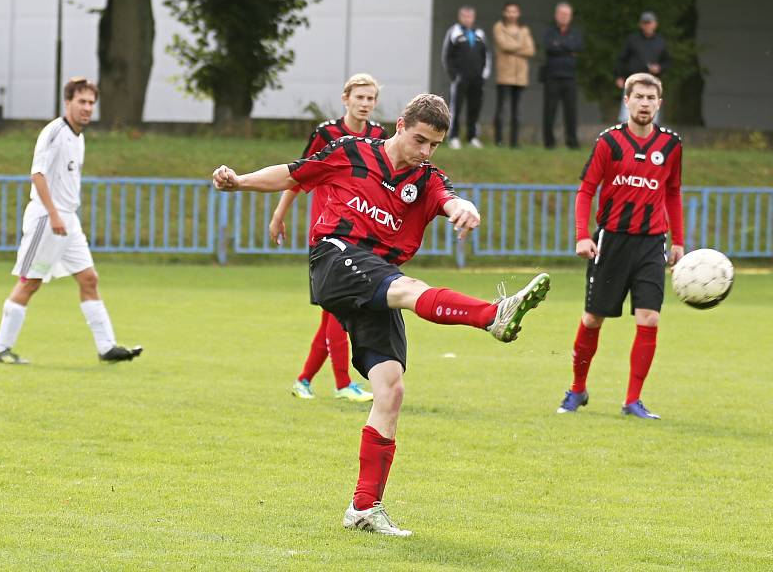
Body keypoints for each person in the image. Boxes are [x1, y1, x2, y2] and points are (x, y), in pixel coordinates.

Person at [213, 93, 551, 535]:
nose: (425, 151)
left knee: (390, 390)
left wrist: (461, 207)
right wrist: (238, 181)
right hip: (335, 258)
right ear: (400, 125)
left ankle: (364, 509)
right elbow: (292, 174)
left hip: (376, 277)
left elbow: (448, 199)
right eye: (420, 139)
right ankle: (493, 314)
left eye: (434, 144)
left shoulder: (427, 179)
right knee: (410, 289)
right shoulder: (351, 152)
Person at [557, 73, 683, 419]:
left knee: (650, 318)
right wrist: (583, 235)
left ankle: (632, 400)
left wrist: (679, 242)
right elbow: (586, 191)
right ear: (626, 100)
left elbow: (672, 193)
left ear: (660, 103)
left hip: (652, 244)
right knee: (593, 318)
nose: (644, 103)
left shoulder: (671, 145)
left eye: (651, 98)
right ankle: (577, 390)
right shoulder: (608, 143)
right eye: (638, 97)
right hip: (610, 241)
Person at [0, 77, 142, 365]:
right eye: (82, 102)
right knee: (30, 282)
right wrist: (55, 214)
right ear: (68, 102)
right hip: (47, 220)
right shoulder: (54, 133)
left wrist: (65, 217)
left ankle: (106, 347)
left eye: (91, 103)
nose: (87, 108)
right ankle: (0, 348)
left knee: (89, 278)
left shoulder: (78, 137)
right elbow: (38, 175)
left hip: (68, 222)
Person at [268, 73, 388, 403]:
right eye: (359, 97)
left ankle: (305, 379)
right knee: (338, 309)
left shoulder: (379, 135)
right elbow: (298, 175)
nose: (365, 103)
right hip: (328, 231)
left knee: (335, 311)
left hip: (362, 233)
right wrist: (280, 214)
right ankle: (341, 384)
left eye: (370, 98)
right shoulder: (327, 134)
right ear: (345, 98)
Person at [441, 6, 491, 149]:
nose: (467, 19)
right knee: (456, 107)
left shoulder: (479, 33)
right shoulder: (454, 32)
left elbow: (486, 55)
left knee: (475, 107)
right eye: (465, 16)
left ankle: (472, 137)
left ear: (473, 18)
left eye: (470, 16)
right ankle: (453, 137)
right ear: (460, 17)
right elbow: (446, 56)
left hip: (477, 78)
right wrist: (453, 75)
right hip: (460, 78)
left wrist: (484, 75)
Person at [492, 1, 535, 147]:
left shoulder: (524, 30)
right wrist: (520, 47)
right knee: (501, 110)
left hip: (520, 77)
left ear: (519, 13)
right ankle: (498, 140)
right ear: (504, 13)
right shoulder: (499, 27)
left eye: (514, 11)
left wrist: (514, 49)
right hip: (504, 75)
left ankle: (514, 142)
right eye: (509, 11)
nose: (511, 14)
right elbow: (504, 45)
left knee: (517, 112)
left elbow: (531, 50)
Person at [541, 2, 583, 149]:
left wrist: (560, 45)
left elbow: (578, 47)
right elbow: (549, 47)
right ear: (556, 15)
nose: (564, 17)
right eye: (561, 14)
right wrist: (567, 49)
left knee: (571, 112)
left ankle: (572, 143)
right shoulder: (549, 31)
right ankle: (549, 143)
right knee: (549, 111)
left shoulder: (576, 33)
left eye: (567, 14)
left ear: (571, 17)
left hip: (570, 77)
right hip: (552, 76)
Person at [615, 12, 670, 123]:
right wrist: (619, 76)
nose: (647, 26)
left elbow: (667, 62)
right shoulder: (632, 40)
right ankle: (627, 139)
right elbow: (621, 59)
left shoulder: (660, 42)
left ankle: (649, 139)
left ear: (655, 24)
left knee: (652, 116)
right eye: (645, 23)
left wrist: (659, 68)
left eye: (649, 23)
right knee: (627, 115)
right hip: (633, 81)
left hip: (652, 82)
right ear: (641, 25)